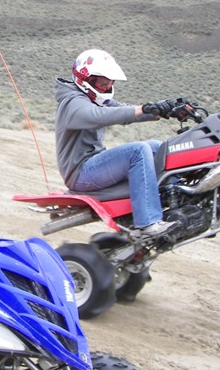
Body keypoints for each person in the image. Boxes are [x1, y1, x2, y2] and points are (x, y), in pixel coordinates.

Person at [55, 48, 179, 240]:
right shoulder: (72, 102)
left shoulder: (95, 98)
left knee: (159, 147)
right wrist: (142, 109)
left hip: (93, 167)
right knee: (138, 151)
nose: (107, 87)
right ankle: (148, 223)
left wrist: (164, 110)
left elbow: (125, 112)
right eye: (103, 82)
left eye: (110, 83)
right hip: (81, 173)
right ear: (85, 79)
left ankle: (180, 196)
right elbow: (99, 115)